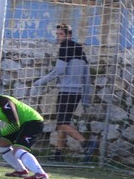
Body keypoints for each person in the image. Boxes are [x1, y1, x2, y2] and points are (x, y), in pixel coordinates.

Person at [32, 23, 97, 162]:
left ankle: (86, 144)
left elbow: (58, 71)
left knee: (62, 124)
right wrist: (85, 98)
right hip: (77, 93)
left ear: (69, 35)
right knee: (64, 122)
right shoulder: (80, 50)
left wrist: (39, 82)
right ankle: (58, 154)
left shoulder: (65, 47)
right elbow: (86, 76)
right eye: (57, 34)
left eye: (61, 34)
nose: (58, 37)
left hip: (66, 92)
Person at [0, 77, 50, 179]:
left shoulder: (4, 102)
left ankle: (41, 174)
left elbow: (15, 125)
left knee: (18, 149)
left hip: (33, 122)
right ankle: (21, 171)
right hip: (20, 125)